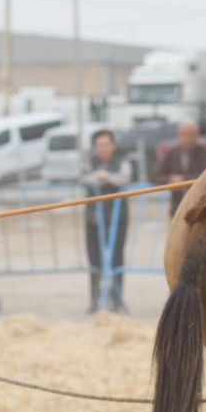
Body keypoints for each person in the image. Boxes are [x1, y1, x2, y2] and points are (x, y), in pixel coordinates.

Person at [82, 129, 131, 314]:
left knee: (117, 258)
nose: (103, 148)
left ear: (113, 145)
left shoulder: (121, 161)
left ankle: (116, 299)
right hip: (93, 218)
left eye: (106, 144)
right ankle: (95, 300)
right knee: (94, 260)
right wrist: (100, 178)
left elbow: (125, 178)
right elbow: (84, 178)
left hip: (118, 218)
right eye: (99, 145)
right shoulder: (89, 162)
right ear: (95, 147)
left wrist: (106, 177)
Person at [151, 119, 206, 217]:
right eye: (184, 135)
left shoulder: (204, 153)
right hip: (177, 209)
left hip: (199, 208)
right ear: (178, 135)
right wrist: (171, 180)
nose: (187, 138)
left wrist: (184, 180)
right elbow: (156, 175)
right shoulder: (172, 153)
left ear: (197, 135)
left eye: (191, 135)